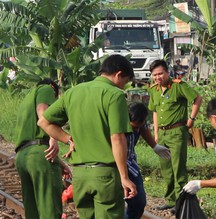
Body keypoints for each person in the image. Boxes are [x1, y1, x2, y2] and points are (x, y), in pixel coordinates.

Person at [38, 55, 137, 219]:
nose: (124, 86)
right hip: (105, 175)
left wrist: (68, 139)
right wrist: (124, 177)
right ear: (119, 74)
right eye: (125, 81)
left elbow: (43, 122)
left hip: (80, 175)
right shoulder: (114, 95)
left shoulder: (73, 92)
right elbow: (117, 138)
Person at [148, 59, 202, 211]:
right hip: (163, 134)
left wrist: (191, 118)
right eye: (155, 75)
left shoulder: (179, 86)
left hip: (177, 132)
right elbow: (155, 112)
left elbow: (197, 98)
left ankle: (182, 202)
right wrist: (156, 134)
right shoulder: (153, 90)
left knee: (178, 168)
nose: (158, 77)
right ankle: (171, 200)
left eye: (160, 74)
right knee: (166, 168)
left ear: (167, 72)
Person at [15, 78, 72, 219]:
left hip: (23, 157)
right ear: (54, 89)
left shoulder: (26, 99)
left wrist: (60, 163)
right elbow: (43, 115)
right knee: (49, 208)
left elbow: (34, 140)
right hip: (39, 156)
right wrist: (54, 137)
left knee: (32, 209)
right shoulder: (46, 89)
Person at [125, 102, 171, 218]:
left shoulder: (141, 124)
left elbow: (144, 130)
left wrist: (154, 146)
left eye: (139, 126)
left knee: (139, 202)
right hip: (115, 165)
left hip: (131, 164)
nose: (137, 130)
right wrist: (123, 177)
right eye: (134, 127)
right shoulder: (119, 123)